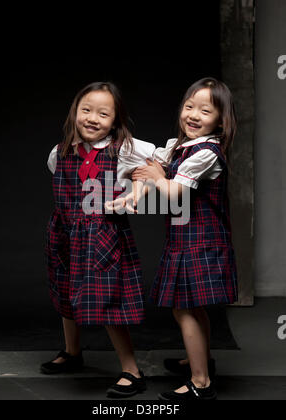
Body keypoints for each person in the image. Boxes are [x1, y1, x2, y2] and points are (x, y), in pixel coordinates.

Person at [42, 81, 155, 398]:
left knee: (109, 302)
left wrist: (135, 192)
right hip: (65, 232)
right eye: (86, 110)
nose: (92, 118)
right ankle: (72, 352)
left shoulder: (125, 151)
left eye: (103, 113)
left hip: (102, 236)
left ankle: (132, 370)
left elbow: (154, 167)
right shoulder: (60, 152)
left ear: (115, 120)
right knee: (66, 292)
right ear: (75, 112)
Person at [131, 77, 238, 401]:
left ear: (220, 119)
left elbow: (174, 190)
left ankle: (201, 382)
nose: (193, 115)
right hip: (185, 239)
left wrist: (157, 177)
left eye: (205, 110)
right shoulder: (181, 147)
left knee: (185, 309)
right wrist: (146, 175)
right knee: (190, 308)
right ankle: (200, 361)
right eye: (189, 106)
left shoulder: (206, 153)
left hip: (201, 242)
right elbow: (153, 165)